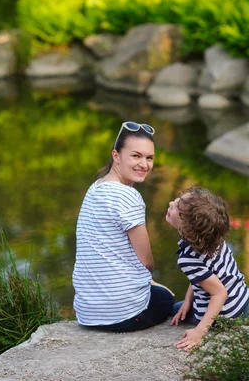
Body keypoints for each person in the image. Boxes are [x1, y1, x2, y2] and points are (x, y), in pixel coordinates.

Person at [72, 121, 175, 332]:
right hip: (122, 314)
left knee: (156, 290)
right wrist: (151, 283)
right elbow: (146, 261)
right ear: (116, 156)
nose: (144, 164)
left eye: (149, 158)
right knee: (166, 298)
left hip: (87, 312)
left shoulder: (96, 187)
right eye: (136, 156)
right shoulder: (128, 196)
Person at [166, 186, 249, 351]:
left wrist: (199, 332)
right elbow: (202, 276)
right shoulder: (213, 237)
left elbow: (219, 293)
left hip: (224, 315)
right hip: (242, 302)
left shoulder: (188, 258)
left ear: (189, 229)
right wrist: (188, 301)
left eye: (177, 208)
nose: (171, 203)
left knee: (169, 309)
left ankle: (207, 324)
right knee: (182, 306)